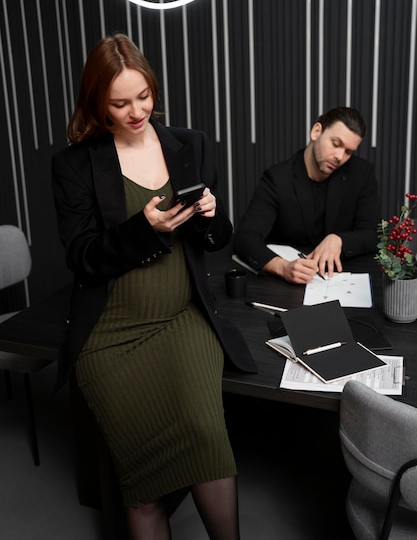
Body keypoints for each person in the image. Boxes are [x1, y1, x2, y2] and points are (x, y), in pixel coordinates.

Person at [51, 33, 256, 540]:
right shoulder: (74, 164)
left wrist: (210, 216)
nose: (137, 110)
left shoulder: (190, 144)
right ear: (97, 102)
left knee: (208, 439)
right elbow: (81, 257)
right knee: (141, 484)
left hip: (182, 318)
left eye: (144, 96)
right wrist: (144, 229)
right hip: (110, 336)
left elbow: (217, 239)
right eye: (119, 103)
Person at [233, 106, 380, 284]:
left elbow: (373, 233)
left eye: (349, 152)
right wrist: (282, 267)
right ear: (316, 131)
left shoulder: (362, 174)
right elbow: (245, 237)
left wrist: (340, 240)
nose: (340, 156)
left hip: (338, 281)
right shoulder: (277, 178)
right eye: (335, 143)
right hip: (283, 286)